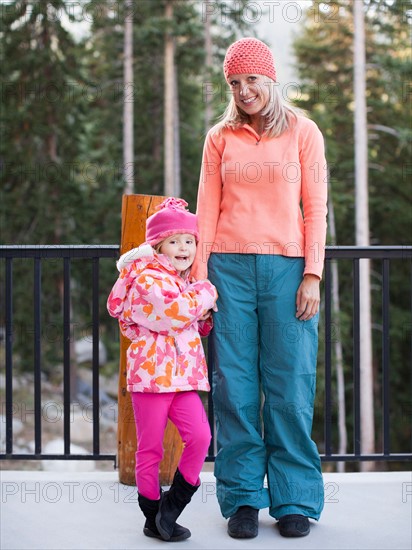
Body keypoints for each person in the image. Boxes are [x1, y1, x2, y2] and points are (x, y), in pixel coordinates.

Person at [191, 37, 328, 539]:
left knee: (290, 383)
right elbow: (205, 210)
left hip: (287, 270)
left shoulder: (303, 132)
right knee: (234, 386)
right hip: (226, 269)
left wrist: (312, 273)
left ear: (269, 79)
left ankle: (293, 498)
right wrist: (201, 277)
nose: (244, 90)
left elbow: (315, 207)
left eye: (251, 79)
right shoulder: (219, 137)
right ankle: (243, 498)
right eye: (234, 82)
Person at [107, 197, 218, 542]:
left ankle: (171, 508)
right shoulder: (147, 277)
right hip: (151, 377)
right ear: (157, 246)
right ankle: (152, 515)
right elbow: (172, 313)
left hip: (182, 377)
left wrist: (200, 317)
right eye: (174, 241)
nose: (184, 248)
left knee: (201, 437)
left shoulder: (178, 278)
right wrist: (207, 291)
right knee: (150, 449)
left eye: (189, 241)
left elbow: (185, 319)